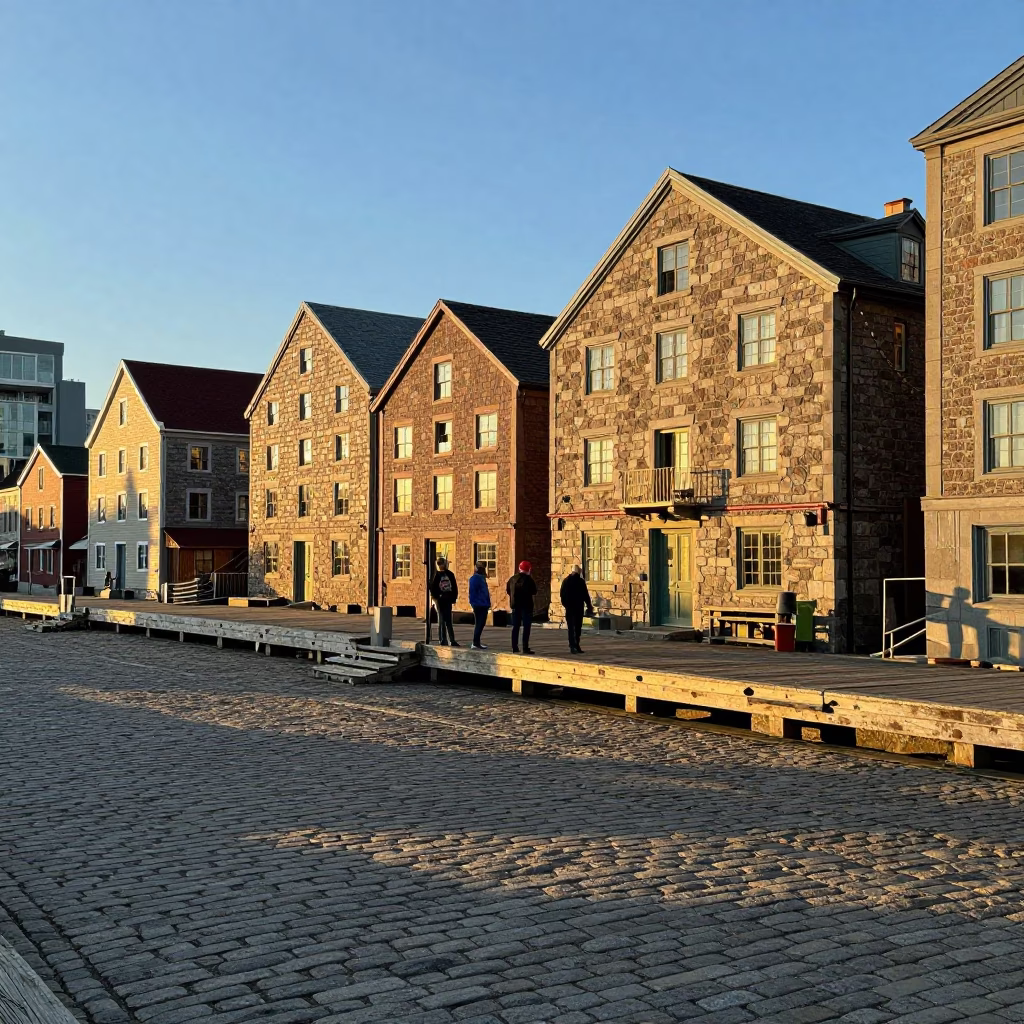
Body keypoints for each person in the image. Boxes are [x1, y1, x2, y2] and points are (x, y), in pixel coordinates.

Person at [559, 564, 594, 654]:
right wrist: (589, 606)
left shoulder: (566, 581)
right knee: (577, 627)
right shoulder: (580, 581)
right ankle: (576, 645)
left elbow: (562, 595)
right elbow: (585, 595)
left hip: (570, 608)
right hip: (578, 607)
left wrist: (566, 605)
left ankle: (572, 645)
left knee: (571, 627)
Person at [506, 560, 537, 654]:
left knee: (515, 627)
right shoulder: (529, 580)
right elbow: (534, 591)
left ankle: (514, 647)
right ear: (529, 569)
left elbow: (508, 591)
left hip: (515, 606)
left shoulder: (512, 579)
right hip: (526, 606)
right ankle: (525, 647)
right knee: (526, 627)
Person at [428, 556, 460, 646]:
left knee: (448, 620)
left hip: (447, 599)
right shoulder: (436, 575)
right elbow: (432, 588)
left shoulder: (449, 574)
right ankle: (443, 640)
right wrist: (437, 597)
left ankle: (451, 640)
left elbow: (454, 587)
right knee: (442, 620)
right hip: (441, 600)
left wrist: (453, 598)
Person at [468, 560, 491, 650]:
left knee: (481, 623)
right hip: (478, 604)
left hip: (483, 604)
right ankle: (475, 642)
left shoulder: (481, 578)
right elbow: (473, 593)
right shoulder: (475, 578)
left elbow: (485, 593)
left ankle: (477, 642)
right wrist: (474, 603)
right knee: (479, 623)